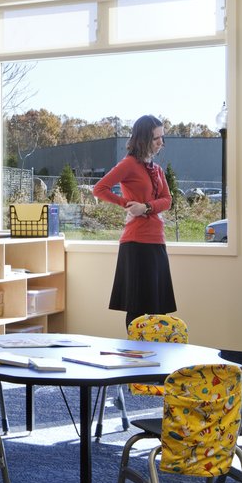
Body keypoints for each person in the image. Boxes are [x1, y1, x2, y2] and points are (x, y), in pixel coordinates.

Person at [91, 115, 176, 328]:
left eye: (162, 138)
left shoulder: (157, 170)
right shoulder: (129, 164)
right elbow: (99, 189)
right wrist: (127, 204)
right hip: (136, 243)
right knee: (137, 310)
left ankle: (158, 358)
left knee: (159, 310)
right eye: (156, 138)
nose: (160, 143)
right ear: (144, 138)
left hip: (157, 242)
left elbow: (167, 201)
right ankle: (135, 357)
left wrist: (145, 207)